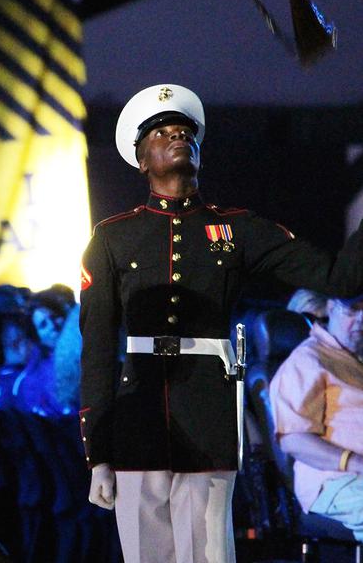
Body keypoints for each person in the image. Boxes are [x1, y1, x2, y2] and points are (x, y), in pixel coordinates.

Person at [79, 84, 363, 563]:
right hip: (138, 414)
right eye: (162, 133)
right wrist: (98, 455)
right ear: (141, 160)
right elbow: (99, 348)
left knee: (210, 553)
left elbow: (338, 277)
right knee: (148, 555)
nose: (176, 137)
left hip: (208, 409)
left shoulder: (237, 228)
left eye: (185, 132)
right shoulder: (112, 237)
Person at [270, 294, 363, 540]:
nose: (361, 318)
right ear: (331, 308)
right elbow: (294, 440)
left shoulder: (355, 361)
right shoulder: (308, 361)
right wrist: (354, 462)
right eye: (353, 309)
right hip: (337, 480)